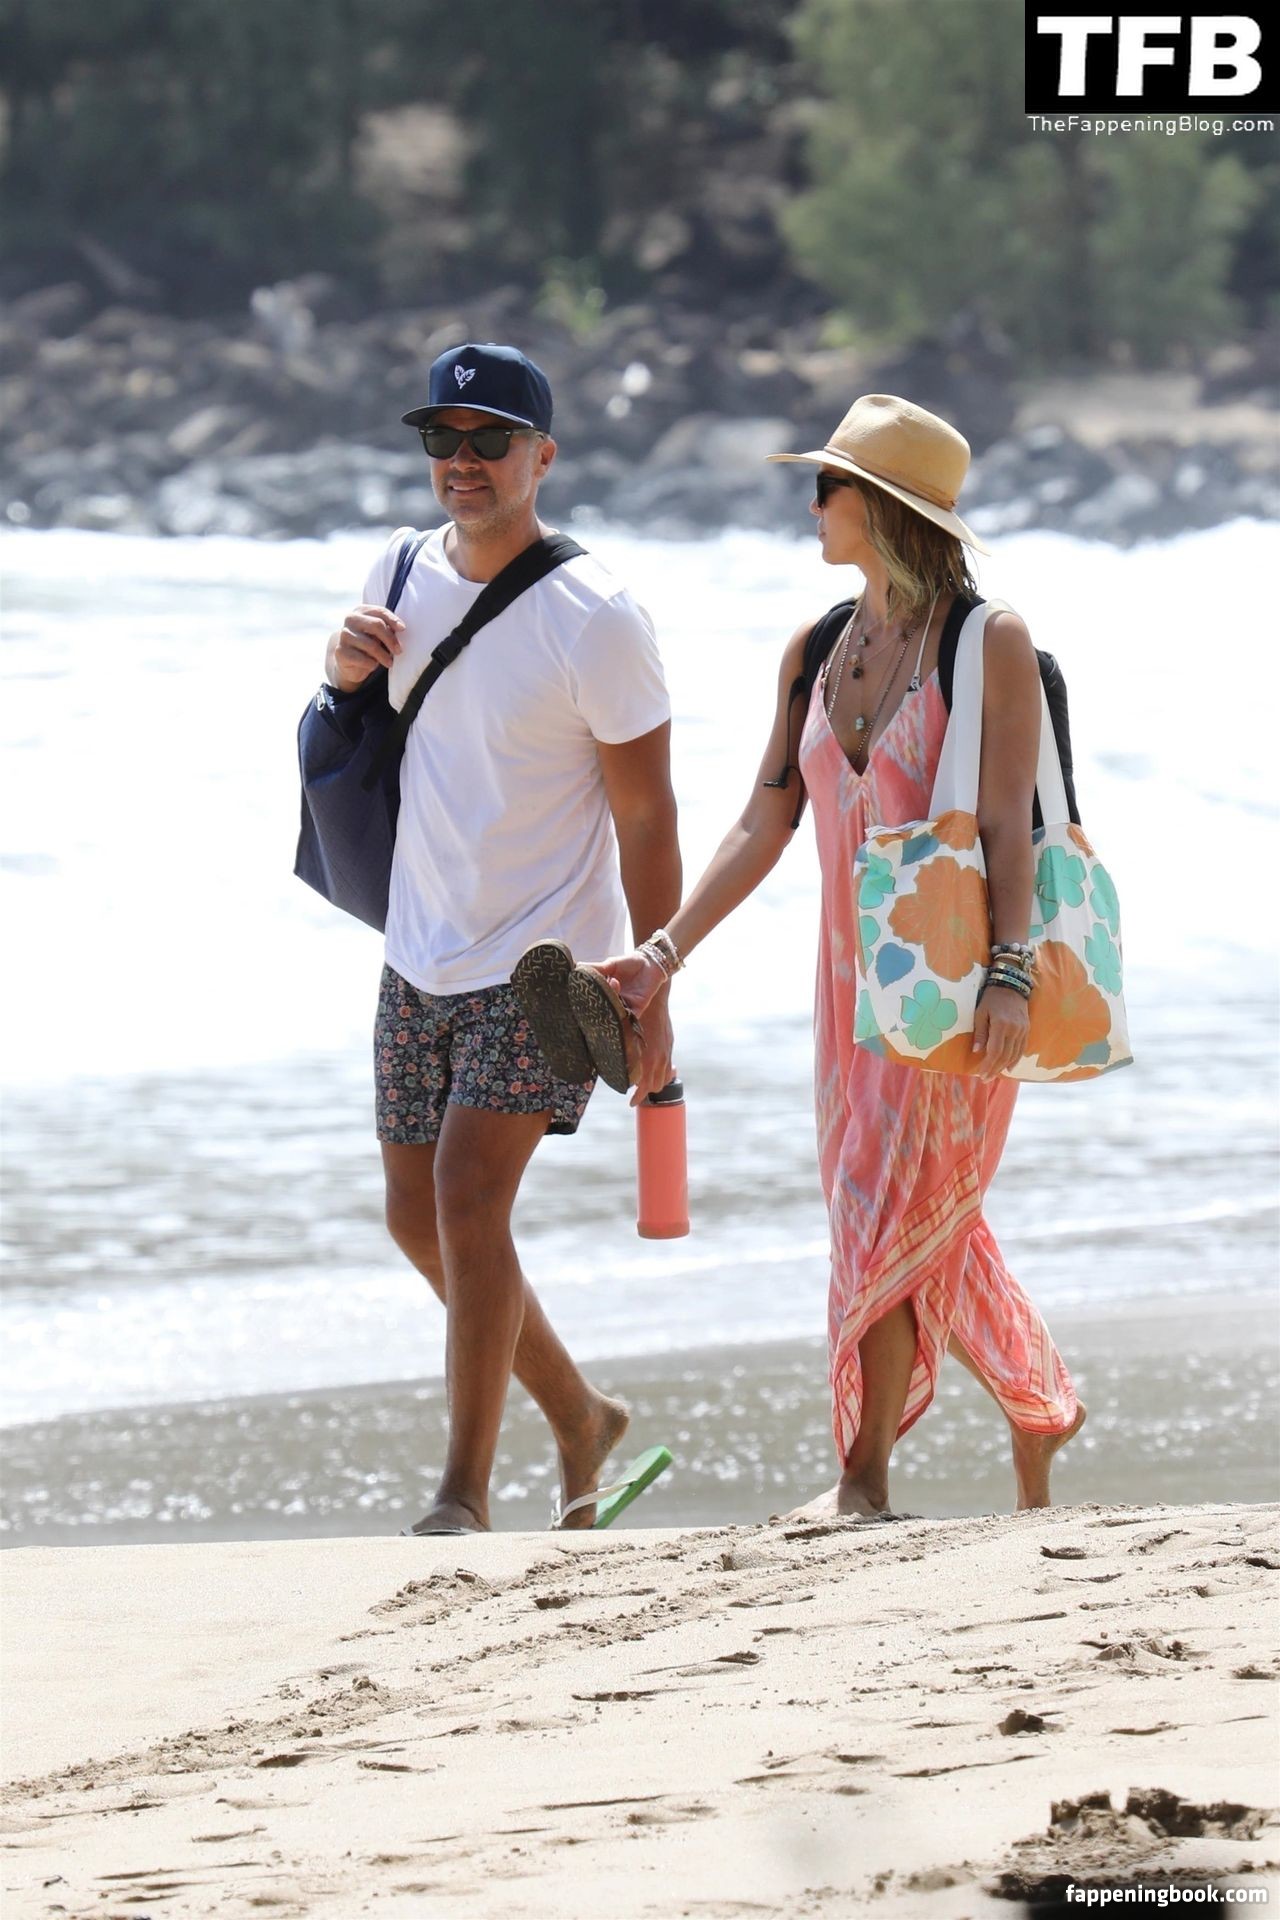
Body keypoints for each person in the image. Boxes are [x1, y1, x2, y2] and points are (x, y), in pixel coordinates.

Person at [593, 394, 1085, 1519]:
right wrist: (661, 953)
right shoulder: (817, 648)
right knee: (907, 1209)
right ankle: (1038, 1404)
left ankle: (861, 1479)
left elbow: (1006, 826)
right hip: (843, 985)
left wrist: (1011, 975)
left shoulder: (986, 641)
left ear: (882, 506)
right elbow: (762, 820)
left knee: (880, 1200)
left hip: (958, 980)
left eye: (827, 487)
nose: (810, 505)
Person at [322, 342, 680, 1534]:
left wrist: (656, 976)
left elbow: (647, 814)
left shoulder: (597, 618)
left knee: (469, 1202)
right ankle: (580, 1416)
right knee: (414, 1218)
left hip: (545, 965)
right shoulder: (395, 571)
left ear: (543, 456)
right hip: (416, 945)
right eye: (444, 438)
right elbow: (358, 731)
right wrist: (337, 668)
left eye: (490, 441)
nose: (463, 461)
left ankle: (460, 1493)